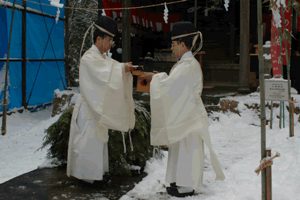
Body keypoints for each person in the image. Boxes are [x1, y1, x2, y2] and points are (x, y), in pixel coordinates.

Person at [145, 21, 225, 197]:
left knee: (187, 149)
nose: (172, 48)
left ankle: (186, 185)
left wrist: (156, 79)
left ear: (182, 44)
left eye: (174, 45)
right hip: (184, 113)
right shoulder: (185, 64)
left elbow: (170, 85)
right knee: (180, 148)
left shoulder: (188, 66)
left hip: (188, 115)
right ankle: (176, 180)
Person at [67, 16, 136, 183]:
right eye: (109, 40)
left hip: (97, 106)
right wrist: (121, 68)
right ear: (99, 39)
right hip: (89, 107)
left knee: (97, 142)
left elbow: (110, 69)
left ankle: (96, 174)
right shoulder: (89, 57)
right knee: (88, 142)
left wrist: (123, 68)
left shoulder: (102, 58)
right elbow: (105, 74)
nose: (111, 44)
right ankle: (87, 177)